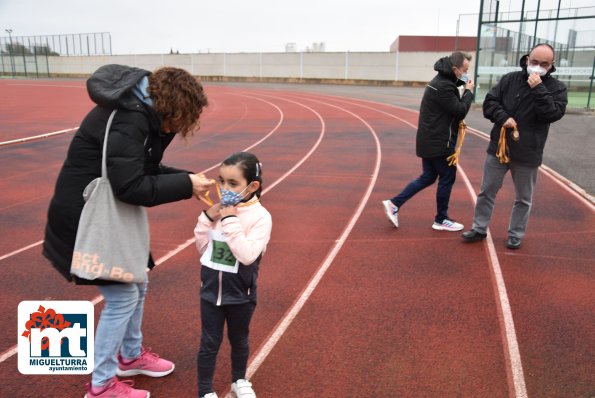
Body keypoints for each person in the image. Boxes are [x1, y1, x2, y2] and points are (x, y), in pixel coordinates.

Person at [43, 64, 212, 398]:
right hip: (86, 216)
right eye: (184, 118)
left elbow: (140, 166)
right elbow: (130, 185)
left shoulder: (140, 113)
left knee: (138, 279)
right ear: (173, 108)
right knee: (122, 297)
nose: (181, 127)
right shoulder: (130, 119)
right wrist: (184, 183)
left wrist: (188, 180)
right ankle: (101, 385)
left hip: (96, 210)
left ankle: (129, 355)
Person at [461, 44, 567, 249]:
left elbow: (553, 114)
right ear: (527, 59)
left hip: (528, 152)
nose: (537, 67)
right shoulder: (510, 79)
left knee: (523, 198)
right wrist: (504, 118)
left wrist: (539, 88)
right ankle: (479, 228)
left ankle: (515, 234)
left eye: (544, 64)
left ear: (551, 65)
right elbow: (490, 103)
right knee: (487, 191)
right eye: (534, 62)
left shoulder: (556, 88)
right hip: (499, 147)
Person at [194, 152, 272, 398]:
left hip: (240, 294)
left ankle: (239, 380)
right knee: (209, 344)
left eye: (233, 183)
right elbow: (203, 247)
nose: (224, 189)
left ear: (253, 186)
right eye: (221, 181)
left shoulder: (260, 217)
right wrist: (207, 218)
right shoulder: (220, 211)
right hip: (210, 294)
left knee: (239, 340)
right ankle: (205, 391)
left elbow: (247, 255)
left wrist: (229, 220)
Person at [382, 51, 475, 231]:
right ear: (455, 69)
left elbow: (451, 94)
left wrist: (462, 84)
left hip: (429, 139)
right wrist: (468, 92)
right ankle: (441, 219)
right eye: (464, 70)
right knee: (447, 176)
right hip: (439, 142)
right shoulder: (445, 87)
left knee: (428, 176)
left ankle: (394, 204)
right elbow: (459, 111)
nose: (466, 73)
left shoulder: (439, 81)